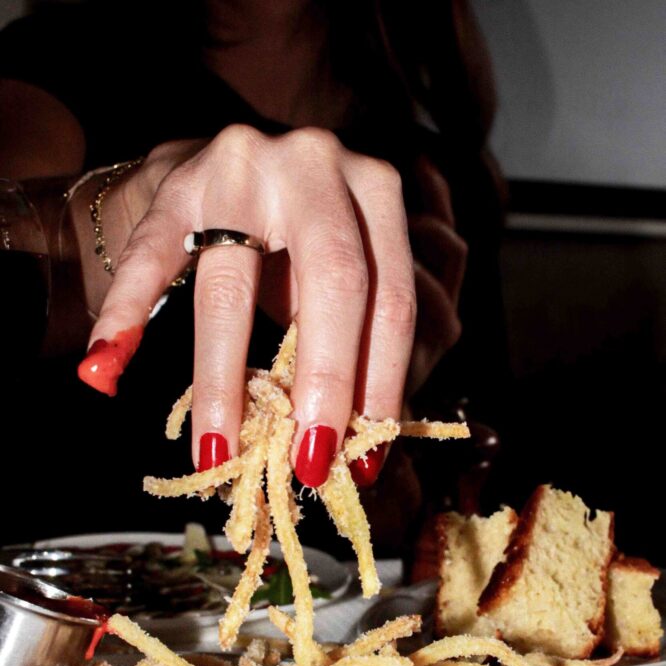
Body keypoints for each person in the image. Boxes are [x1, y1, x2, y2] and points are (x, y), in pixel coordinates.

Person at [0, 0, 506, 550]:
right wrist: (131, 205)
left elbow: (408, 536)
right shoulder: (59, 60)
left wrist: (386, 436)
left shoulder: (441, 176)